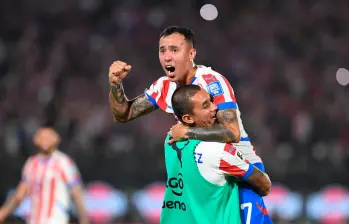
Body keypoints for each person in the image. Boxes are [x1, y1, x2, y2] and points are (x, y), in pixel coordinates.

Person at [108, 26, 271, 223]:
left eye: (174, 50)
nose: (167, 57)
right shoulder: (164, 86)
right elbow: (123, 114)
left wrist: (188, 132)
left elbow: (232, 132)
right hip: (205, 174)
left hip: (239, 171)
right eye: (162, 50)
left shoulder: (212, 83)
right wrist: (116, 85)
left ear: (191, 53)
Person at [161, 85, 271, 224]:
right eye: (206, 106)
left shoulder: (169, 142)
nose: (215, 107)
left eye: (211, 101)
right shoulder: (220, 152)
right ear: (188, 118)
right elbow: (264, 185)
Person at [0, 127, 88, 224]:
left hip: (55, 220)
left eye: (49, 137)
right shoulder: (31, 164)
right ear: (35, 140)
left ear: (57, 139)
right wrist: (3, 213)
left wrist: (83, 218)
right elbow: (19, 195)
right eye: (42, 137)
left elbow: (76, 193)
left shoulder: (64, 162)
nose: (45, 140)